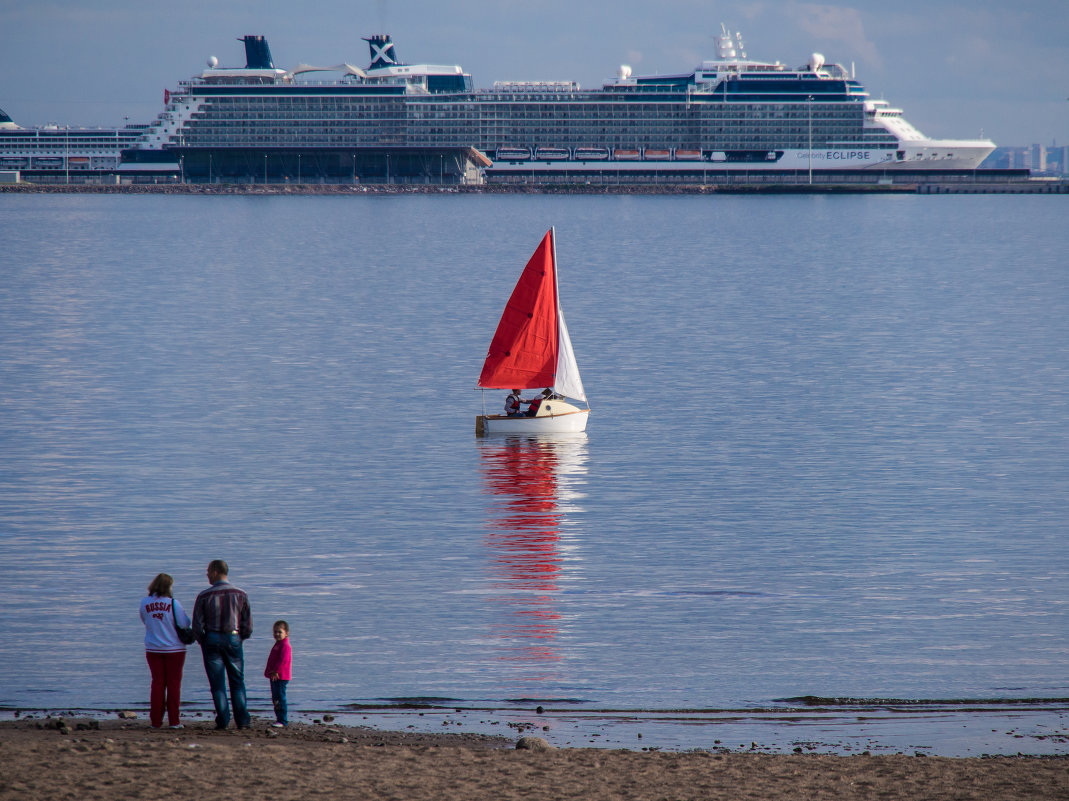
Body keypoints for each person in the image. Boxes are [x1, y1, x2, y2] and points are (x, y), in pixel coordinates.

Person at [192, 559, 253, 730]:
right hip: (233, 638)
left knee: (217, 683)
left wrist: (203, 640)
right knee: (237, 681)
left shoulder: (204, 596)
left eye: (208, 571)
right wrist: (241, 638)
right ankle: (242, 720)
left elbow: (197, 625)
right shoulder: (241, 594)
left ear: (216, 572)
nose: (207, 575)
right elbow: (247, 624)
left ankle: (223, 719)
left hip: (211, 639)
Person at [139, 573, 190, 729]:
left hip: (153, 648)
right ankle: (174, 721)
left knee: (157, 684)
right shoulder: (174, 603)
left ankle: (156, 721)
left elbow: (144, 620)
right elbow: (184, 624)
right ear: (169, 586)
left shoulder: (144, 603)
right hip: (175, 649)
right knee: (174, 684)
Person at [264, 620, 292, 728]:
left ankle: (283, 720)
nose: (277, 634)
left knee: (280, 697)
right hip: (274, 676)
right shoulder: (278, 644)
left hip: (281, 676)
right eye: (275, 632)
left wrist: (276, 671)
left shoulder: (285, 645)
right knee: (275, 698)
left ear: (286, 633)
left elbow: (283, 661)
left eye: (279, 632)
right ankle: (279, 718)